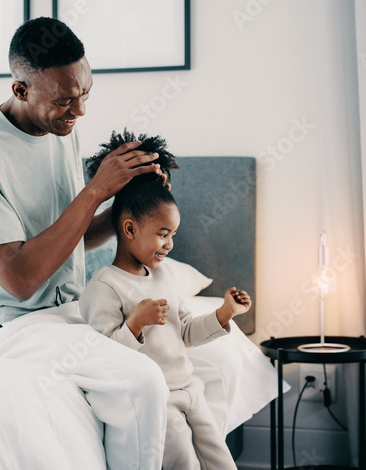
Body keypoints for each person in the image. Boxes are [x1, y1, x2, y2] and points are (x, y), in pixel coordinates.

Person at [0, 18, 169, 469]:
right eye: (65, 100)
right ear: (21, 90)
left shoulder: (60, 128)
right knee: (142, 382)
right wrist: (94, 190)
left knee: (171, 356)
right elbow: (21, 279)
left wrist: (124, 205)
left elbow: (66, 242)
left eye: (85, 94)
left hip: (66, 311)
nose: (79, 111)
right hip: (3, 323)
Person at [79, 130, 252, 470]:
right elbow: (102, 355)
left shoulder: (167, 275)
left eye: (172, 234)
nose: (170, 245)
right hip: (162, 399)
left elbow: (185, 330)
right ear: (129, 230)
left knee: (221, 460)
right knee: (183, 462)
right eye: (162, 235)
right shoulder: (104, 286)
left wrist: (225, 313)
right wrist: (135, 324)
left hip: (190, 387)